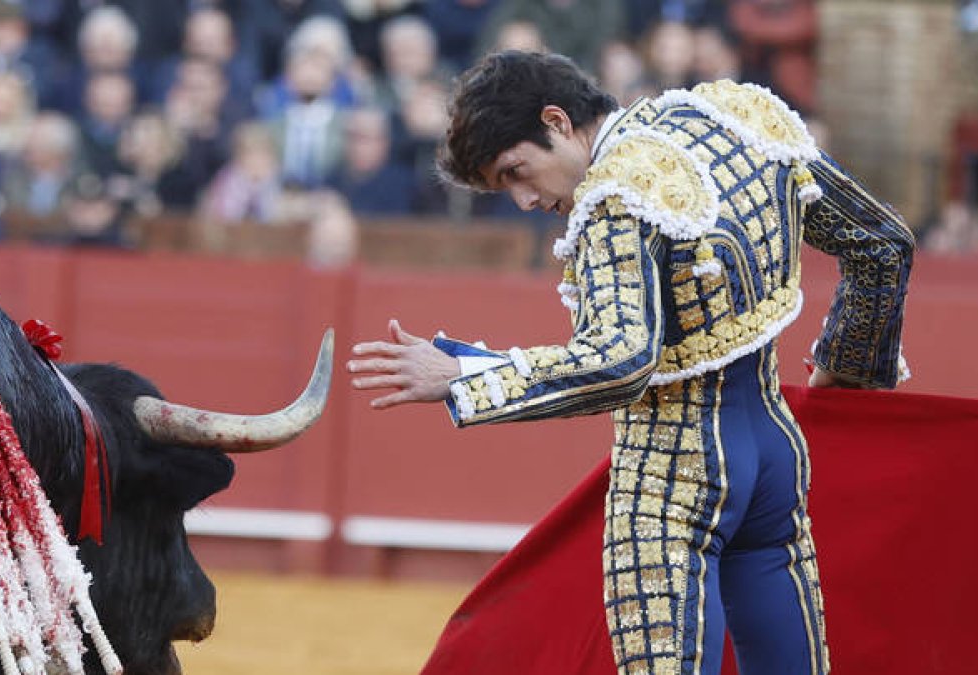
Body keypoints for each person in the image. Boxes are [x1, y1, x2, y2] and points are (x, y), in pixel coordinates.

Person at [347, 51, 914, 675]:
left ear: (558, 122)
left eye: (517, 171)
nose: (526, 200)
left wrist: (464, 381)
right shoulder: (738, 115)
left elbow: (621, 363)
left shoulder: (616, 191)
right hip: (776, 458)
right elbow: (882, 244)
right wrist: (847, 368)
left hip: (674, 473)